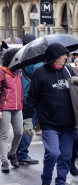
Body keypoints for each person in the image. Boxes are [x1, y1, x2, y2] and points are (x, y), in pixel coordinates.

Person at [24, 43, 78, 185]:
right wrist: (28, 120)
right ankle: (45, 184)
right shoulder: (39, 73)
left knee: (65, 157)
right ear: (55, 56)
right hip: (49, 123)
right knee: (53, 153)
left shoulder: (68, 70)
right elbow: (31, 99)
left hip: (68, 124)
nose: (66, 57)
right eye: (63, 55)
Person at [16, 33, 42, 165]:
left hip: (17, 97)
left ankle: (15, 152)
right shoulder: (35, 59)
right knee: (29, 125)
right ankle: (22, 153)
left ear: (22, 44)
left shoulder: (17, 57)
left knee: (19, 126)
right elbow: (39, 77)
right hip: (30, 97)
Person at [0, 49, 24, 173]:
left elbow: (20, 92)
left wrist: (21, 104)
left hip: (17, 108)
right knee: (3, 135)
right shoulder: (2, 72)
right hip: (4, 108)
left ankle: (12, 153)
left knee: (19, 132)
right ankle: (4, 161)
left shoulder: (18, 73)